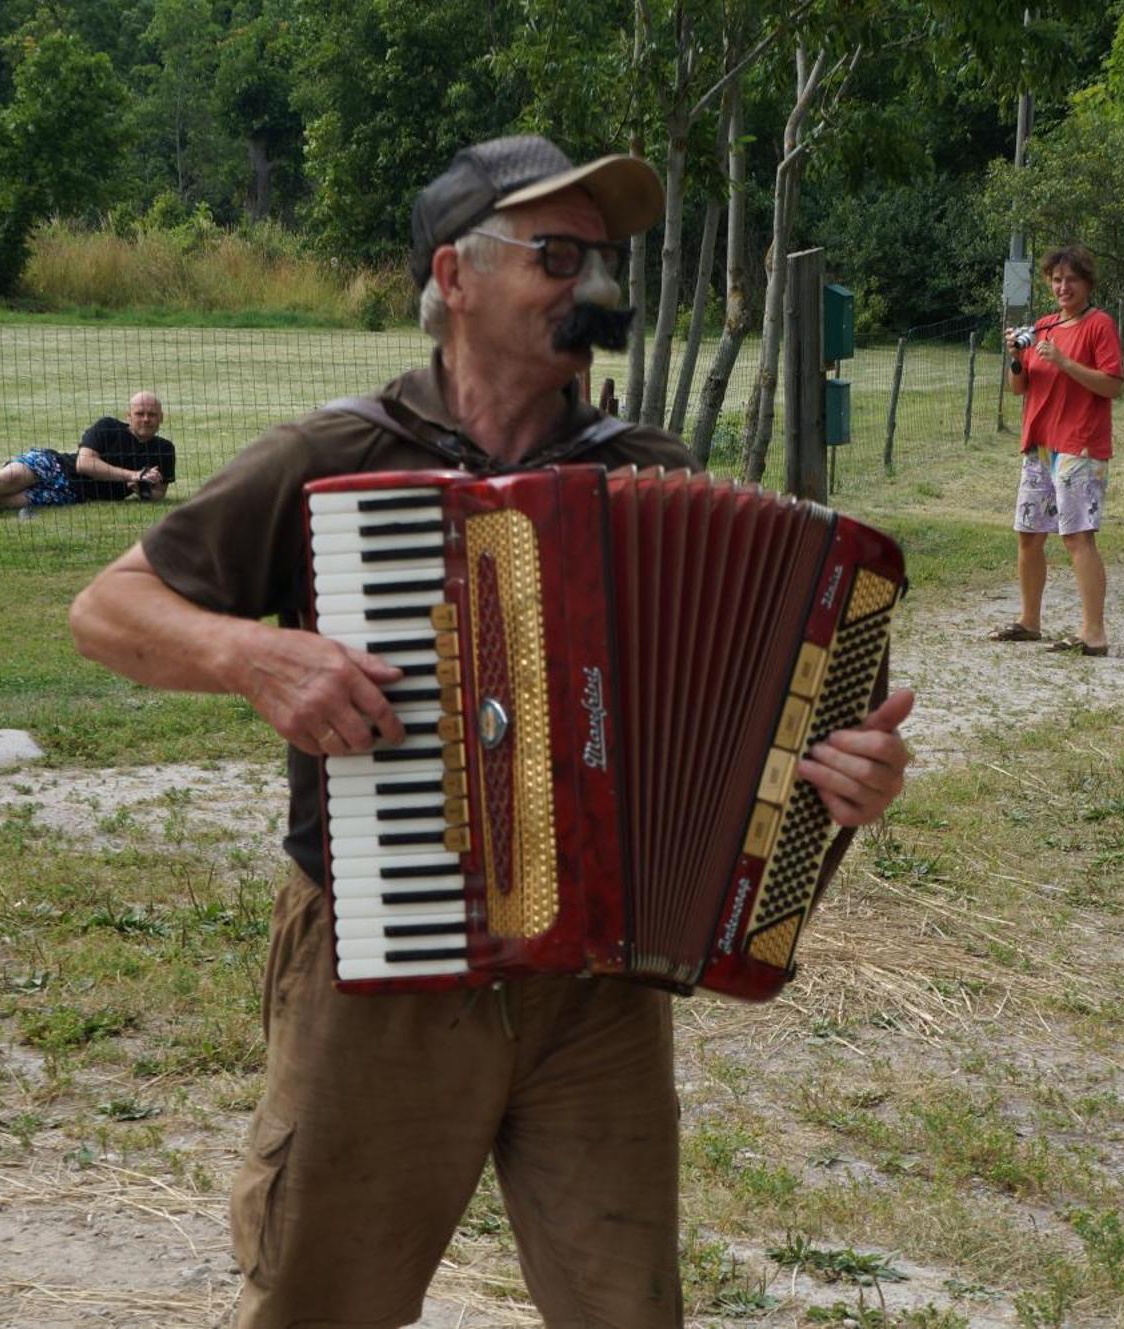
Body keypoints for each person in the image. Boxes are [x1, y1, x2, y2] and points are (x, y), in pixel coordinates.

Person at [68, 134, 914, 1329]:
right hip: (382, 968)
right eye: (555, 255)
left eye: (602, 261)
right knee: (322, 1299)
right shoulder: (338, 458)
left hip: (603, 987)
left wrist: (841, 778)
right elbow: (107, 611)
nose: (592, 286)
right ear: (452, 277)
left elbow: (752, 760)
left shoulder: (649, 472)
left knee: (625, 1309)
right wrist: (252, 655)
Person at [989, 244, 1124, 656]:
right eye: (1056, 279)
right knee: (1029, 535)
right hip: (1041, 446)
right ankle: (1029, 621)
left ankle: (1093, 633)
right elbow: (1020, 387)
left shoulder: (1098, 325)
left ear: (1086, 284)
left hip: (1079, 446)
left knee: (1077, 537)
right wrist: (1015, 358)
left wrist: (1066, 362)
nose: (1063, 286)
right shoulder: (1044, 327)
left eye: (1071, 280)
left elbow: (1113, 385)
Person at [0, 392, 175, 517]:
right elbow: (84, 463)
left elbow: (159, 492)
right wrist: (132, 475)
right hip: (56, 465)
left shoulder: (164, 449)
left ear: (161, 417)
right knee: (11, 476)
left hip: (74, 494)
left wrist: (141, 489)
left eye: (152, 414)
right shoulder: (107, 427)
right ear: (129, 415)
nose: (146, 419)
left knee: (10, 501)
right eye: (140, 414)